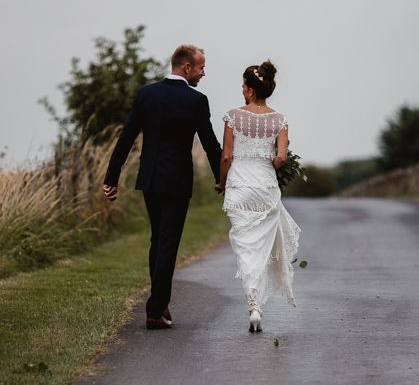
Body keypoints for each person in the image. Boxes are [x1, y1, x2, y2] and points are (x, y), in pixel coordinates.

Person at [103, 45, 222, 330]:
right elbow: (209, 144)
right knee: (167, 242)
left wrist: (111, 177)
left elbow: (126, 138)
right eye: (201, 67)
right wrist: (222, 177)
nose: (204, 73)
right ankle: (155, 310)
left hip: (150, 179)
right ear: (186, 67)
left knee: (158, 240)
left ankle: (158, 302)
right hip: (177, 181)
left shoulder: (146, 95)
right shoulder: (196, 100)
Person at [216, 60, 301, 333]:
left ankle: (253, 304)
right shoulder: (280, 120)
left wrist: (221, 182)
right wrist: (268, 166)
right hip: (265, 188)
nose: (241, 90)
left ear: (250, 90)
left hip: (240, 186)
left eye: (243, 85)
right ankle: (256, 305)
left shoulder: (232, 116)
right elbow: (281, 157)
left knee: (245, 247)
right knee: (261, 248)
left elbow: (226, 155)